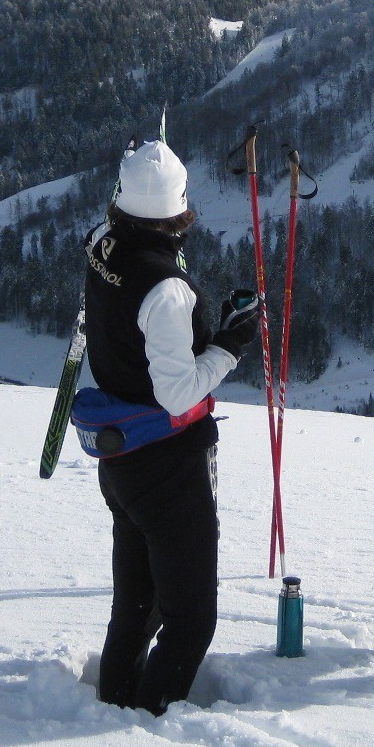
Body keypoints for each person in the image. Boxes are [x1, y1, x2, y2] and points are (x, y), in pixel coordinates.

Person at [82, 138, 259, 713]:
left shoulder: (101, 247)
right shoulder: (167, 290)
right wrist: (231, 344)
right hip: (166, 465)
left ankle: (114, 702)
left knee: (136, 605)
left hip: (122, 462)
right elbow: (177, 389)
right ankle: (151, 724)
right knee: (190, 620)